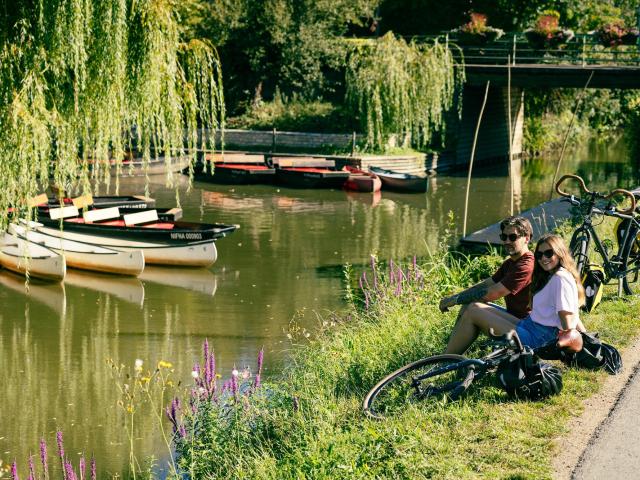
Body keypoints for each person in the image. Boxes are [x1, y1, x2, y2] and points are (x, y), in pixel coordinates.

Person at [445, 233, 586, 354]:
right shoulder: (554, 275)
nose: (543, 258)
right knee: (473, 306)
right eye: (539, 254)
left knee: (472, 312)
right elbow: (572, 310)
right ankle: (449, 355)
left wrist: (573, 342)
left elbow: (568, 321)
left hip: (538, 339)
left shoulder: (560, 278)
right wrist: (586, 335)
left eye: (549, 253)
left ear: (560, 253)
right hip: (530, 326)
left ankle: (444, 363)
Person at [440, 216, 535, 354]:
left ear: (526, 238)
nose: (507, 241)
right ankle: (450, 352)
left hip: (527, 328)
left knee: (473, 308)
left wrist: (454, 301)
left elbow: (491, 294)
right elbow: (485, 285)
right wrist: (454, 297)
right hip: (514, 318)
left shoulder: (526, 266)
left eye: (513, 237)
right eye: (504, 237)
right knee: (469, 304)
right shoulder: (511, 263)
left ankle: (445, 361)